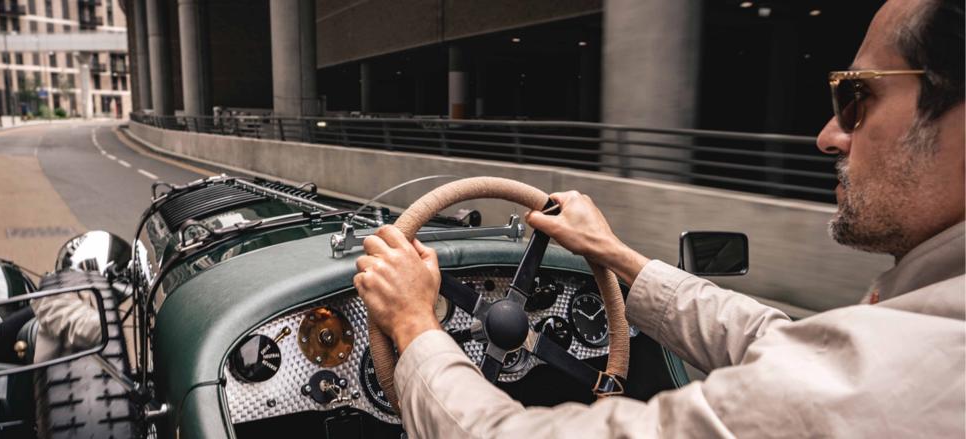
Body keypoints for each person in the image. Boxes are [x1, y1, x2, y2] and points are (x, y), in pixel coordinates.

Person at [353, 0, 964, 437]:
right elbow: (778, 344)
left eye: (857, 98)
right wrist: (615, 255)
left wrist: (414, 324)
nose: (829, 136)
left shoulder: (890, 376)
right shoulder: (921, 326)